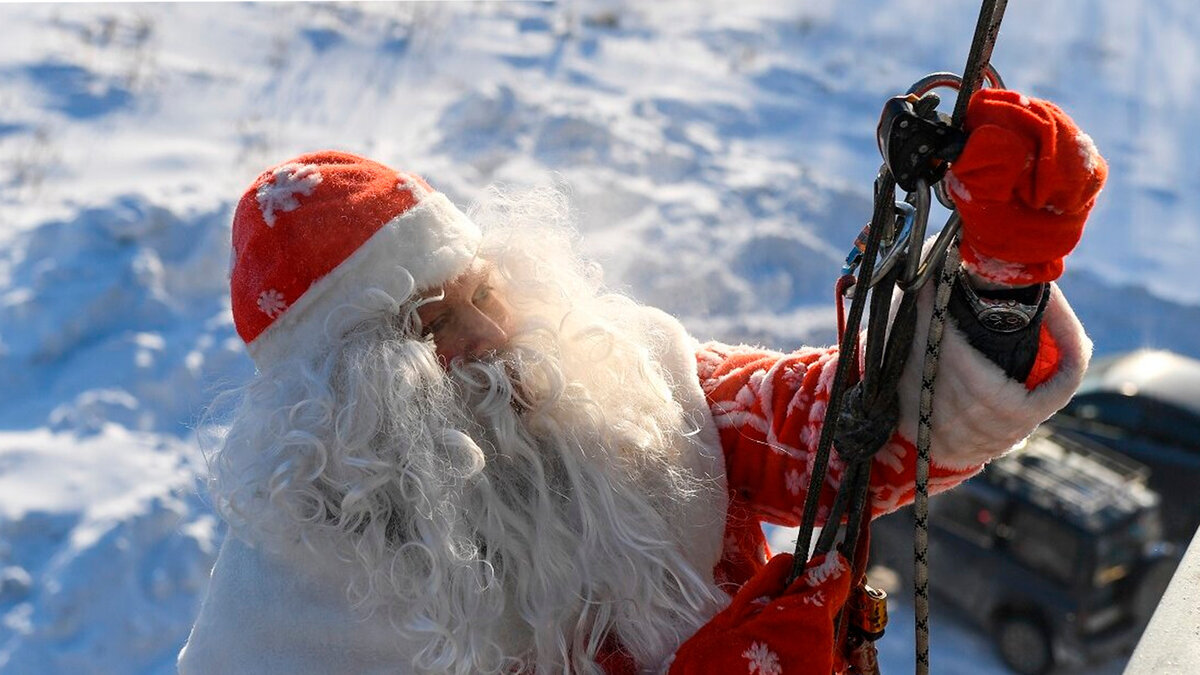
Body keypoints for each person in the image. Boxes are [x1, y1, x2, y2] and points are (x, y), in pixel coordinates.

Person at [179, 88, 1103, 674]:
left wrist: (995, 295)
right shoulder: (284, 622)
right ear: (350, 402)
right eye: (433, 327)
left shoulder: (617, 373)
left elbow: (839, 432)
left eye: (483, 290)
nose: (495, 332)